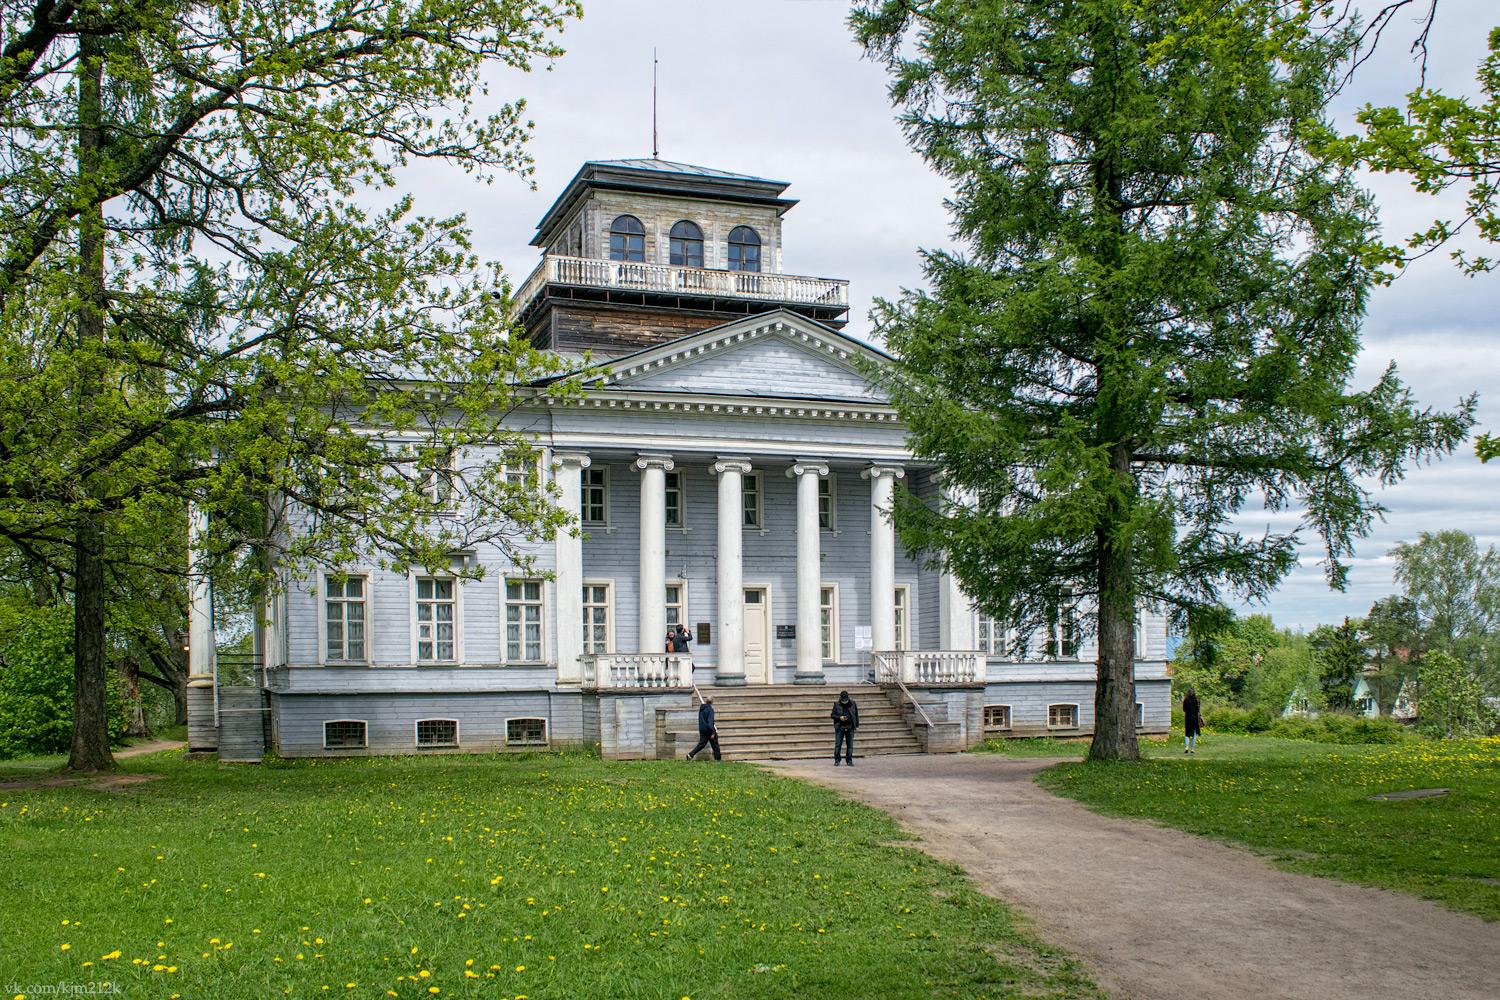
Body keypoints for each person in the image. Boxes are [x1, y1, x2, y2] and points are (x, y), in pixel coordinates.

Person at [685, 695, 720, 761]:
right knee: (715, 745)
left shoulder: (702, 709)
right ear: (712, 702)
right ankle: (718, 759)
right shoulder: (710, 710)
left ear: (706, 701)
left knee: (701, 744)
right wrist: (712, 732)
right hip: (709, 730)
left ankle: (690, 755)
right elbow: (710, 722)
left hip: (702, 729)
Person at [830, 689, 859, 766]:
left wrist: (856, 725)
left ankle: (849, 760)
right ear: (840, 698)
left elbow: (856, 714)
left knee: (850, 745)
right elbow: (832, 715)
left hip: (850, 727)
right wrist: (839, 717)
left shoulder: (853, 703)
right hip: (839, 727)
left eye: (845, 700)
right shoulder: (836, 704)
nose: (844, 701)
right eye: (843, 700)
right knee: (838, 744)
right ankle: (837, 760)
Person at [1182, 686, 1202, 754]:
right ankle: (1192, 749)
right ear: (1194, 693)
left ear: (1188, 693)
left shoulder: (1185, 700)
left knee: (1187, 733)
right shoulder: (1197, 700)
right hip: (1195, 719)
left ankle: (1186, 747)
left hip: (1187, 718)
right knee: (1194, 734)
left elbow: (1184, 709)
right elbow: (1198, 710)